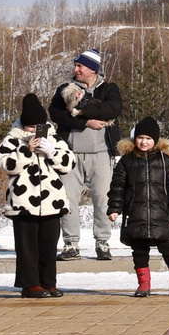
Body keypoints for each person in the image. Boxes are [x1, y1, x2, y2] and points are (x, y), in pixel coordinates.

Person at [107, 117, 169, 297]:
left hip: (160, 214)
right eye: (140, 137)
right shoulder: (126, 161)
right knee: (140, 252)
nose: (144, 142)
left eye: (148, 138)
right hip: (136, 214)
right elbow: (117, 187)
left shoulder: (165, 161)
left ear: (155, 141)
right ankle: (144, 285)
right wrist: (114, 208)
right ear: (135, 139)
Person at [0, 93, 74, 298]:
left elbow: (69, 165)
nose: (34, 131)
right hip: (22, 203)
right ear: (23, 125)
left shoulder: (53, 137)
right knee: (26, 246)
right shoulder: (13, 138)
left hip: (52, 201)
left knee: (49, 245)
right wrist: (26, 150)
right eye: (30, 127)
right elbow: (6, 165)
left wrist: (51, 152)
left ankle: (48, 283)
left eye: (37, 126)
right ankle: (30, 284)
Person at [52, 51, 121, 261]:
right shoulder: (65, 90)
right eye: (75, 66)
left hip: (101, 155)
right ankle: (71, 244)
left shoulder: (109, 89)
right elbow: (56, 114)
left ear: (92, 69)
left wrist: (80, 110)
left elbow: (112, 109)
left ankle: (102, 242)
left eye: (80, 66)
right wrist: (85, 122)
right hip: (70, 155)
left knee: (103, 200)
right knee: (68, 201)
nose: (75, 70)